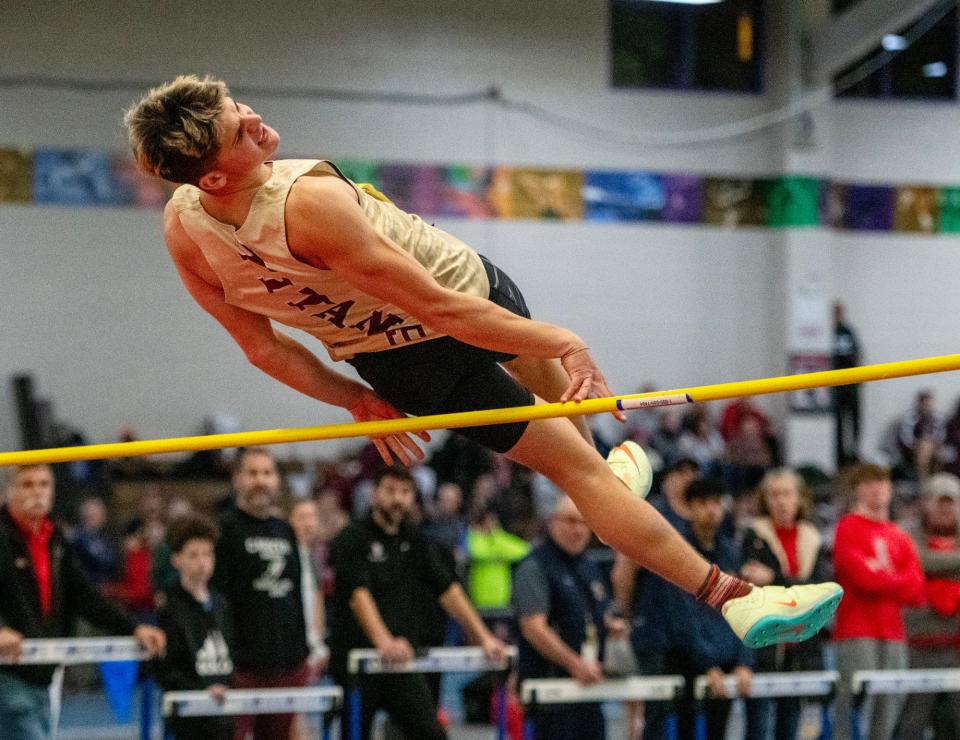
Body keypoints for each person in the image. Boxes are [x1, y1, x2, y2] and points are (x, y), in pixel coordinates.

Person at [123, 74, 842, 654]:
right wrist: (559, 339)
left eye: (235, 103)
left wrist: (355, 398)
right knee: (578, 456)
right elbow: (442, 310)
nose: (252, 117)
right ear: (214, 177)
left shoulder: (184, 228)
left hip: (399, 370)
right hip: (460, 298)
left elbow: (264, 348)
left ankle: (610, 482)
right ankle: (736, 597)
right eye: (234, 128)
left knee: (581, 470)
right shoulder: (310, 204)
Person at [328, 466, 507, 740]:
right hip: (358, 663)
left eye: (405, 492)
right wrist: (384, 641)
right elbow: (357, 594)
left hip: (401, 663)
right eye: (390, 491)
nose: (398, 499)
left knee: (433, 734)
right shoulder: (353, 537)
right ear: (375, 494)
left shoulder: (415, 538)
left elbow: (448, 589)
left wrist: (483, 637)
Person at [0, 464, 166, 740]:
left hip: (43, 670)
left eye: (43, 484)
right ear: (9, 492)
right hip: (8, 672)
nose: (37, 492)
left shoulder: (54, 538)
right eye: (27, 484)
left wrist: (132, 627)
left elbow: (84, 594)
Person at [621, 479, 755, 740]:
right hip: (682, 659)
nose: (711, 510)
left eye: (716, 503)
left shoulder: (729, 552)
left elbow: (742, 608)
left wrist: (743, 661)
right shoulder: (677, 550)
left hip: (723, 658)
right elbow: (680, 614)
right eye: (703, 503)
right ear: (690, 508)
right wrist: (708, 664)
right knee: (674, 725)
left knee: (719, 729)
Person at [512, 495, 630, 740]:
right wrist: (575, 665)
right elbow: (533, 627)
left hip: (589, 692)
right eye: (570, 521)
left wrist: (610, 625)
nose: (577, 530)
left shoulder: (589, 566)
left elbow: (595, 613)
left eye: (583, 522)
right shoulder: (534, 566)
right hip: (550, 695)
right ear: (552, 522)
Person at [213, 447, 310, 740]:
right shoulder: (224, 529)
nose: (261, 481)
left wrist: (303, 651)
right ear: (237, 479)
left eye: (267, 473)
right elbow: (218, 597)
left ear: (277, 480)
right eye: (252, 473)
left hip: (287, 663)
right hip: (243, 665)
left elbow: (295, 591)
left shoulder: (285, 530)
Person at [832, 463, 925, 740]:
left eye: (882, 482)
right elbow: (863, 579)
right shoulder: (848, 527)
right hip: (857, 630)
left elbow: (917, 590)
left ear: (891, 489)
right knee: (852, 708)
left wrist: (882, 575)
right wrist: (896, 578)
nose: (876, 489)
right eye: (869, 483)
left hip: (893, 632)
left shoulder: (900, 536)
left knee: (890, 711)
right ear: (857, 490)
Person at [740, 468, 829, 740]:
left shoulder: (812, 539)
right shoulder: (753, 537)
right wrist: (794, 587)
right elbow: (756, 590)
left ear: (800, 499)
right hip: (764, 646)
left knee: (790, 725)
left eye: (787, 494)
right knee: (757, 725)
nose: (781, 501)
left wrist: (776, 579)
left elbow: (818, 593)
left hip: (801, 646)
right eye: (774, 495)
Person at [156, 515, 234, 740]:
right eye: (193, 555)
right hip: (188, 719)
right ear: (176, 560)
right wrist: (199, 690)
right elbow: (165, 668)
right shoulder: (170, 608)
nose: (202, 562)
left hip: (223, 715)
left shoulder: (221, 605)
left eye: (207, 554)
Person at [897, 473, 960, 739]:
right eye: (939, 502)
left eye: (951, 503)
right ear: (925, 503)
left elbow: (924, 563)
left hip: (956, 648)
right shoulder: (904, 533)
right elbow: (915, 560)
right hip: (915, 648)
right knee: (910, 723)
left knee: (955, 725)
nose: (945, 509)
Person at [832, 301, 862, 467]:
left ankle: (854, 453)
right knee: (839, 423)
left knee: (854, 421)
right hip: (835, 384)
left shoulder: (848, 331)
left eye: (840, 311)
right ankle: (840, 457)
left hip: (850, 383)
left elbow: (857, 353)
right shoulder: (828, 332)